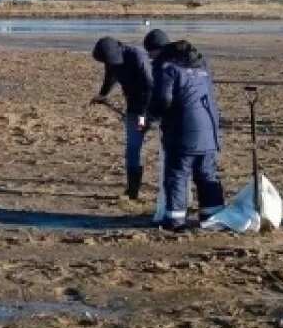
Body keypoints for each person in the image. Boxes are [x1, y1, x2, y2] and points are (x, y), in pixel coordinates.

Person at [149, 39, 225, 232]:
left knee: (177, 174)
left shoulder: (168, 68)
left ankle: (175, 219)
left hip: (184, 131)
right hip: (210, 128)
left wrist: (151, 117)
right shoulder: (202, 67)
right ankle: (213, 216)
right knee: (206, 173)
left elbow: (163, 99)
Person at [90, 30, 163, 200]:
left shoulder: (137, 55)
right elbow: (111, 76)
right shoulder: (112, 59)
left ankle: (167, 190)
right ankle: (132, 190)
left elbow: (150, 86)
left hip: (151, 109)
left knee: (166, 148)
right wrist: (102, 95)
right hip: (133, 109)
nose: (109, 63)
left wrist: (145, 117)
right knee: (132, 149)